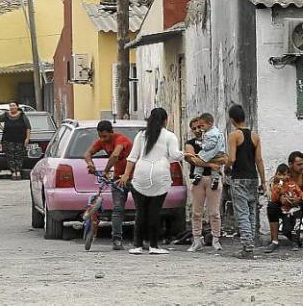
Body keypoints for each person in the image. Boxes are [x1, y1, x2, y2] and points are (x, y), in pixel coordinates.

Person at [118, 108, 184, 255]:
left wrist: (126, 174)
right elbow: (175, 155)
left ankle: (137, 245)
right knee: (155, 211)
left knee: (141, 211)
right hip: (160, 174)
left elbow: (132, 157)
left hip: (141, 173)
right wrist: (186, 154)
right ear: (165, 120)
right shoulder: (170, 136)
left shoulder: (141, 135)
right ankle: (153, 245)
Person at [83, 120, 133, 251]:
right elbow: (87, 153)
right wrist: (90, 164)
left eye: (105, 136)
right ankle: (116, 240)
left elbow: (115, 155)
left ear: (112, 132)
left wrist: (105, 171)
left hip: (133, 177)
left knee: (141, 209)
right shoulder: (101, 142)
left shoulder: (120, 140)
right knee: (117, 209)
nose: (102, 139)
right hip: (118, 179)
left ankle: (143, 239)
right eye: (100, 136)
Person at [226, 104, 267, 259]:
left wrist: (226, 167)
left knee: (242, 214)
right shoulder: (255, 136)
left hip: (239, 178)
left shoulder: (234, 135)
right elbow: (259, 160)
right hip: (252, 178)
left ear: (232, 119)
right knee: (251, 213)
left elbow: (232, 158)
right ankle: (250, 244)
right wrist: (263, 181)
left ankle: (247, 248)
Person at [184, 116, 226, 253]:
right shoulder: (190, 143)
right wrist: (211, 164)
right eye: (194, 128)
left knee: (214, 212)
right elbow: (193, 160)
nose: (197, 130)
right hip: (198, 179)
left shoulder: (214, 138)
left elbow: (224, 158)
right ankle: (197, 239)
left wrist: (210, 161)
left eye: (199, 127)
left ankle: (216, 239)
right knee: (197, 212)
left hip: (213, 179)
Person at [263, 163, 303, 253]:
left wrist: (296, 199)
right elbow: (273, 199)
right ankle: (293, 241)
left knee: (295, 228)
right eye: (279, 175)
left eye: (284, 175)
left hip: (295, 210)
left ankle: (295, 242)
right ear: (276, 174)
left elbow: (300, 194)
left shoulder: (292, 184)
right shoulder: (276, 186)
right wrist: (278, 190)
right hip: (285, 210)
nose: (281, 177)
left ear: (288, 175)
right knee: (286, 229)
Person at [0, 101, 31, 180]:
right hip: (8, 139)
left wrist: (27, 138)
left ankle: (18, 171)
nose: (12, 107)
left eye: (14, 105)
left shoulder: (22, 115)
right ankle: (13, 172)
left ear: (17, 106)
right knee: (10, 156)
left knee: (19, 155)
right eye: (10, 106)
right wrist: (2, 128)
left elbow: (28, 127)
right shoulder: (6, 115)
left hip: (20, 139)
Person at [190, 113, 227, 190]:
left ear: (210, 124)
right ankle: (215, 179)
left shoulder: (210, 133)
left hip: (212, 152)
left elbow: (211, 144)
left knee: (199, 157)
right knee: (215, 165)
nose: (200, 129)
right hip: (219, 153)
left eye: (202, 126)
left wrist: (202, 145)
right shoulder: (217, 131)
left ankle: (197, 175)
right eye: (194, 128)